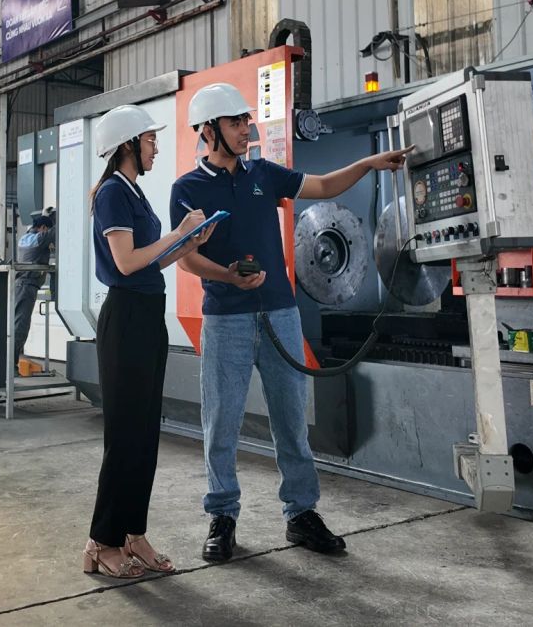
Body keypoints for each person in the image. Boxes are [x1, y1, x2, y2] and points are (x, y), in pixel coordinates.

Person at [169, 82, 412, 562]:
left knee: (290, 420)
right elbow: (185, 257)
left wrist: (366, 165)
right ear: (208, 130)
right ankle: (222, 517)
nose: (246, 129)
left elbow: (320, 186)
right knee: (221, 422)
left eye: (246, 121)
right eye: (236, 123)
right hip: (227, 319)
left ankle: (301, 514)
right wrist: (228, 278)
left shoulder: (264, 173)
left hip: (280, 314)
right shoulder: (188, 189)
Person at [83, 104, 215, 579]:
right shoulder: (113, 194)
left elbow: (148, 261)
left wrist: (187, 244)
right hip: (125, 320)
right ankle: (102, 541)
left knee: (143, 432)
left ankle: (132, 533)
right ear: (127, 144)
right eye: (150, 139)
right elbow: (124, 262)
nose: (156, 145)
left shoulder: (132, 191)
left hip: (146, 317)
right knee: (123, 435)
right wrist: (177, 234)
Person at [13, 208, 55, 370]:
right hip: (28, 286)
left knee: (16, 325)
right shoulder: (40, 238)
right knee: (21, 327)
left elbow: (37, 229)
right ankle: (10, 367)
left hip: (19, 286)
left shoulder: (25, 237)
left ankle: (8, 364)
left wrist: (44, 217)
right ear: (43, 228)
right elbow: (54, 233)